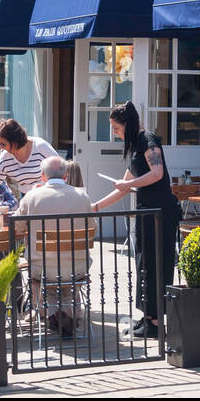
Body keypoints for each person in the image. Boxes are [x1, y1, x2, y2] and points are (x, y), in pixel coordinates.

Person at [92, 101, 180, 339]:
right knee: (144, 264)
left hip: (159, 213)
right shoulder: (135, 148)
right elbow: (122, 187)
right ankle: (149, 316)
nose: (114, 132)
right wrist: (96, 206)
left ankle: (155, 321)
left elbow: (157, 173)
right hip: (147, 212)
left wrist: (128, 184)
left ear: (127, 125)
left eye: (116, 128)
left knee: (155, 264)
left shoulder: (148, 140)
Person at [17, 155, 94, 336]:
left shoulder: (32, 197)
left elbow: (18, 228)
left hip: (43, 269)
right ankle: (67, 314)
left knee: (45, 275)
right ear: (66, 175)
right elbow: (93, 228)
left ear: (43, 176)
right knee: (66, 281)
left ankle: (53, 314)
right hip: (77, 267)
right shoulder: (82, 196)